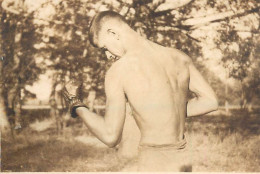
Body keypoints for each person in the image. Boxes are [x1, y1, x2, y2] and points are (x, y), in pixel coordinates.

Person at [62, 10, 218, 172]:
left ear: (113, 33)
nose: (108, 56)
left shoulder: (120, 70)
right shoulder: (179, 57)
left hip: (155, 161)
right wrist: (167, 110)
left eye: (105, 48)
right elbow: (210, 101)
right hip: (183, 160)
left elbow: (110, 136)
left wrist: (76, 103)